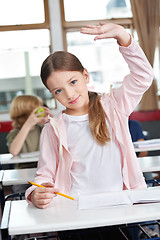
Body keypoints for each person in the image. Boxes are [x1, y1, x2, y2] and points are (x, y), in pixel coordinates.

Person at [25, 22, 153, 238]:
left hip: (119, 211)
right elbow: (45, 175)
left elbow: (143, 77)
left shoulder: (114, 106)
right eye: (58, 90)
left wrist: (124, 38)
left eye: (73, 81)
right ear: (53, 94)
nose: (69, 93)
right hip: (75, 215)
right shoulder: (53, 128)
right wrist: (36, 193)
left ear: (85, 76)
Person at [7, 95, 52, 169]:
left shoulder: (42, 128)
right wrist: (29, 123)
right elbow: (14, 151)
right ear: (27, 113)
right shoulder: (15, 132)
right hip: (23, 170)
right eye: (38, 108)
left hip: (43, 168)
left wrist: (51, 121)